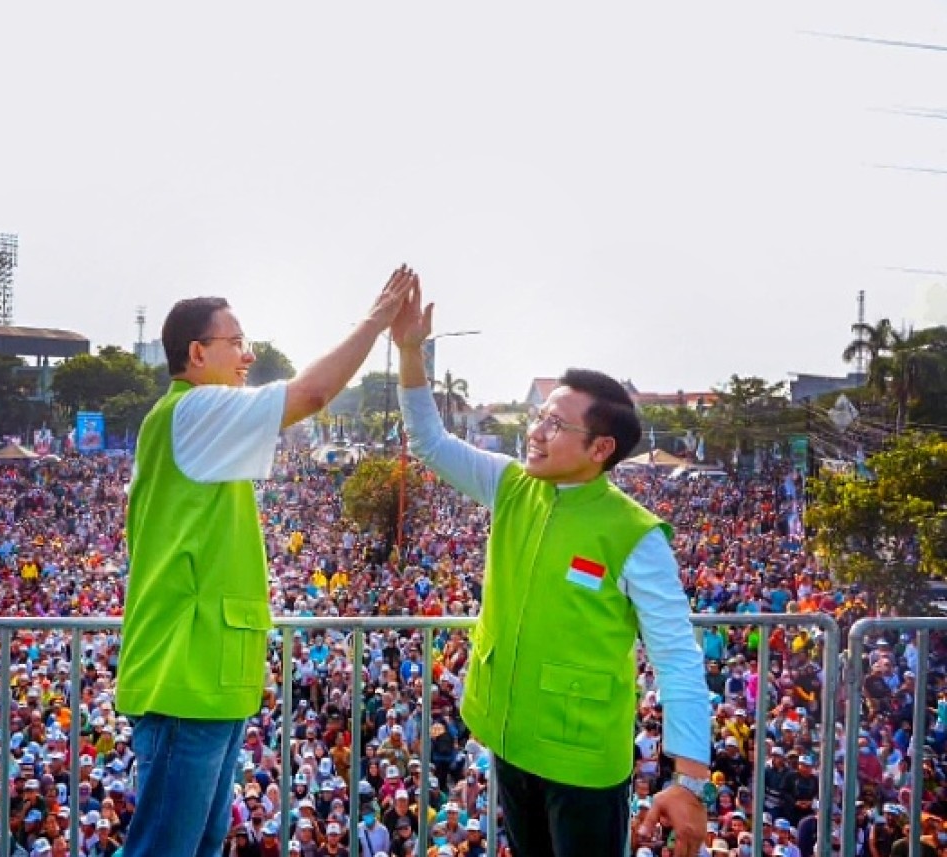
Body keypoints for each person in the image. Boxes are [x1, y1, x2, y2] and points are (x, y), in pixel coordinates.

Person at [391, 281, 710, 857]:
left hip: (583, 759)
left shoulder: (634, 535)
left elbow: (676, 655)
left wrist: (688, 781)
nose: (535, 433)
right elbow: (430, 442)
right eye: (540, 418)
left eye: (556, 425)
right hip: (508, 737)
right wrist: (411, 354)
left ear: (600, 449)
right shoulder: (511, 485)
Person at [116, 266, 417, 857]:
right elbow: (310, 395)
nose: (249, 357)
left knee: (200, 846)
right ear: (197, 354)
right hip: (185, 672)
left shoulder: (194, 420)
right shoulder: (192, 410)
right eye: (238, 343)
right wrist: (377, 320)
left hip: (209, 673)